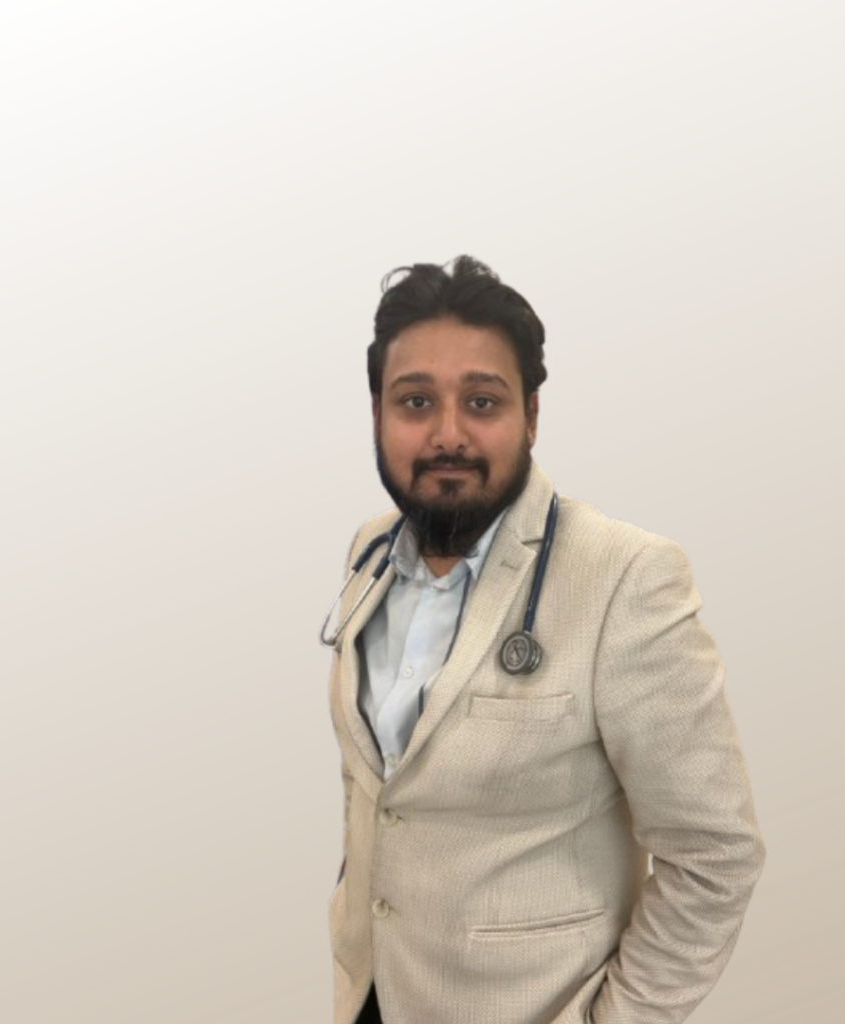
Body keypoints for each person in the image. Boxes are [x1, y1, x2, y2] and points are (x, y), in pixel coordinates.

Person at [323, 256, 765, 1024]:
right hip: (368, 995)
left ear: (531, 416)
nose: (448, 434)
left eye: (482, 401)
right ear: (376, 414)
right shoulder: (370, 551)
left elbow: (714, 857)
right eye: (416, 401)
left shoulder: (623, 578)